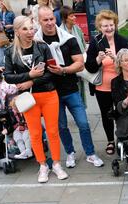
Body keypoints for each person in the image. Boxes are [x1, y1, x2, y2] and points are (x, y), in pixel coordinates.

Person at [35, 5, 104, 169]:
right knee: (61, 126)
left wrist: (63, 70)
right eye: (45, 20)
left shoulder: (68, 38)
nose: (50, 23)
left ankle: (90, 153)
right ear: (39, 21)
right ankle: (70, 153)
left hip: (71, 89)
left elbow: (80, 64)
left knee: (83, 123)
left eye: (52, 19)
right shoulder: (36, 42)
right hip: (50, 92)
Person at [4, 15, 68, 183]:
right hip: (27, 99)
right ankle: (43, 165)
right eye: (25, 29)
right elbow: (8, 76)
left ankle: (56, 164)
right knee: (35, 133)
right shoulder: (10, 51)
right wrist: (28, 75)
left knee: (53, 131)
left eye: (31, 28)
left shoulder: (42, 46)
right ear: (17, 31)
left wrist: (31, 81)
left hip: (48, 94)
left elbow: (50, 73)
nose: (30, 32)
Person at [85, 9, 128, 156]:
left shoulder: (122, 41)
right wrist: (98, 59)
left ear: (115, 25)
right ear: (100, 27)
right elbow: (89, 67)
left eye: (111, 25)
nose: (109, 28)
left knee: (122, 113)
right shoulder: (96, 42)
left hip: (120, 85)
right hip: (102, 87)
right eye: (105, 26)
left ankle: (123, 138)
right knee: (106, 114)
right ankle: (110, 141)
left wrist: (117, 58)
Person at [60, 5, 86, 103]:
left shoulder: (77, 29)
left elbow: (83, 45)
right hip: (68, 67)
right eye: (71, 16)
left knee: (81, 91)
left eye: (74, 15)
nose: (74, 17)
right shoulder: (60, 32)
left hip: (80, 64)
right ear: (65, 18)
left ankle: (81, 107)